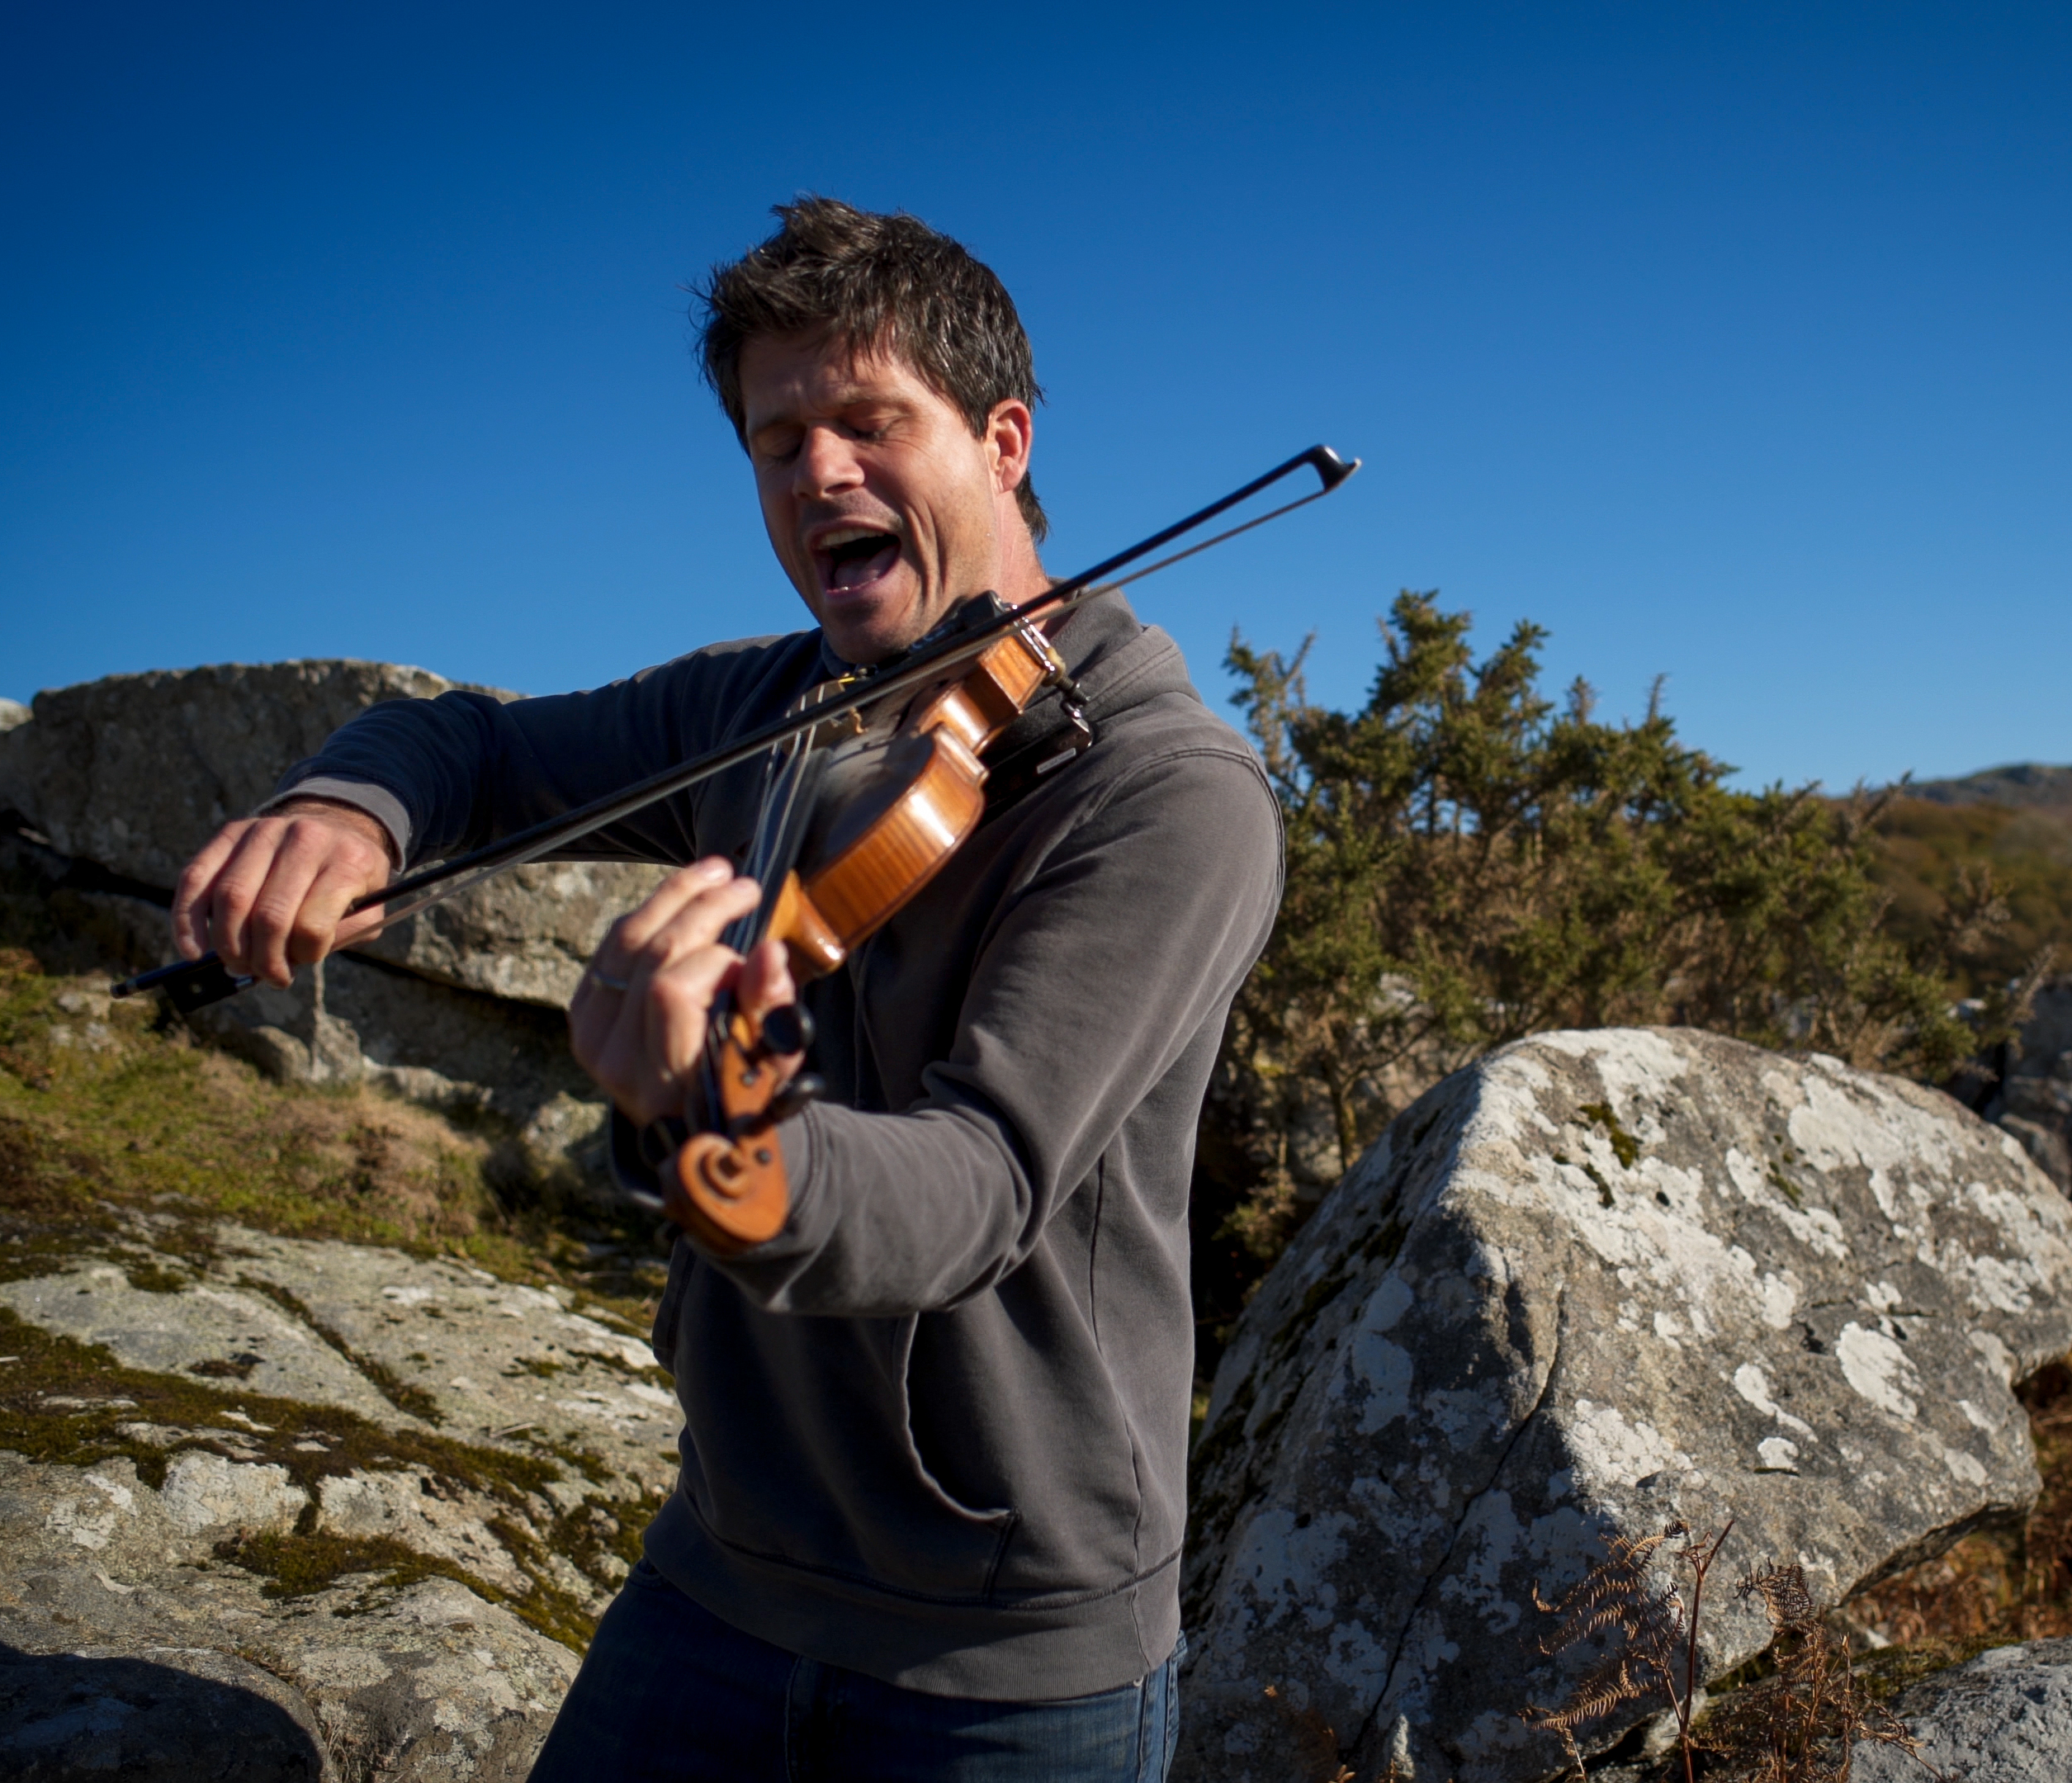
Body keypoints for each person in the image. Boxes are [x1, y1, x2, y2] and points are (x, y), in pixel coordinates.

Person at [168, 198, 1283, 1781]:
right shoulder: (770, 706)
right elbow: (475, 740)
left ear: (1004, 440)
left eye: (867, 422)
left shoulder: (1166, 793)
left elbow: (980, 1182)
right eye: (777, 442)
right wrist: (351, 808)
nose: (817, 472)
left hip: (1006, 1666)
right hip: (716, 1581)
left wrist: (724, 1137)